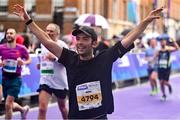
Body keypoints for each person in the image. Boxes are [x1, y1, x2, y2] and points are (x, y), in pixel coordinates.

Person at [13, 4, 163, 119]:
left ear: (94, 43)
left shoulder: (105, 59)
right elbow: (46, 41)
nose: (80, 42)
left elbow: (129, 38)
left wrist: (145, 21)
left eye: (85, 39)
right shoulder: (69, 58)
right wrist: (28, 20)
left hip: (99, 117)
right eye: (78, 39)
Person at [36, 23, 68, 120]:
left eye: (51, 31)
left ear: (57, 33)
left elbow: (68, 62)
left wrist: (54, 58)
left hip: (60, 82)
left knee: (62, 108)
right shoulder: (43, 44)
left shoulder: (62, 45)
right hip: (46, 80)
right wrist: (40, 65)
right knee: (42, 109)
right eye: (47, 30)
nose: (48, 33)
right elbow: (44, 59)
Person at [0, 28, 31, 119]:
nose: (9, 35)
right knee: (9, 104)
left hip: (16, 79)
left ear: (15, 35)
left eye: (11, 33)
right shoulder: (1, 48)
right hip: (5, 78)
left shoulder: (21, 48)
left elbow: (29, 60)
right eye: (7, 33)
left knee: (8, 104)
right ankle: (23, 109)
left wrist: (23, 63)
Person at [153, 35, 179, 101]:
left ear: (165, 42)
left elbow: (177, 48)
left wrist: (173, 42)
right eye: (161, 42)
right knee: (161, 82)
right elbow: (154, 58)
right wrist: (154, 59)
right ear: (160, 43)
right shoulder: (158, 50)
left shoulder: (168, 49)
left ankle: (169, 85)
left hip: (167, 68)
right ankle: (164, 95)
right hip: (160, 68)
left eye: (163, 41)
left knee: (165, 82)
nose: (162, 43)